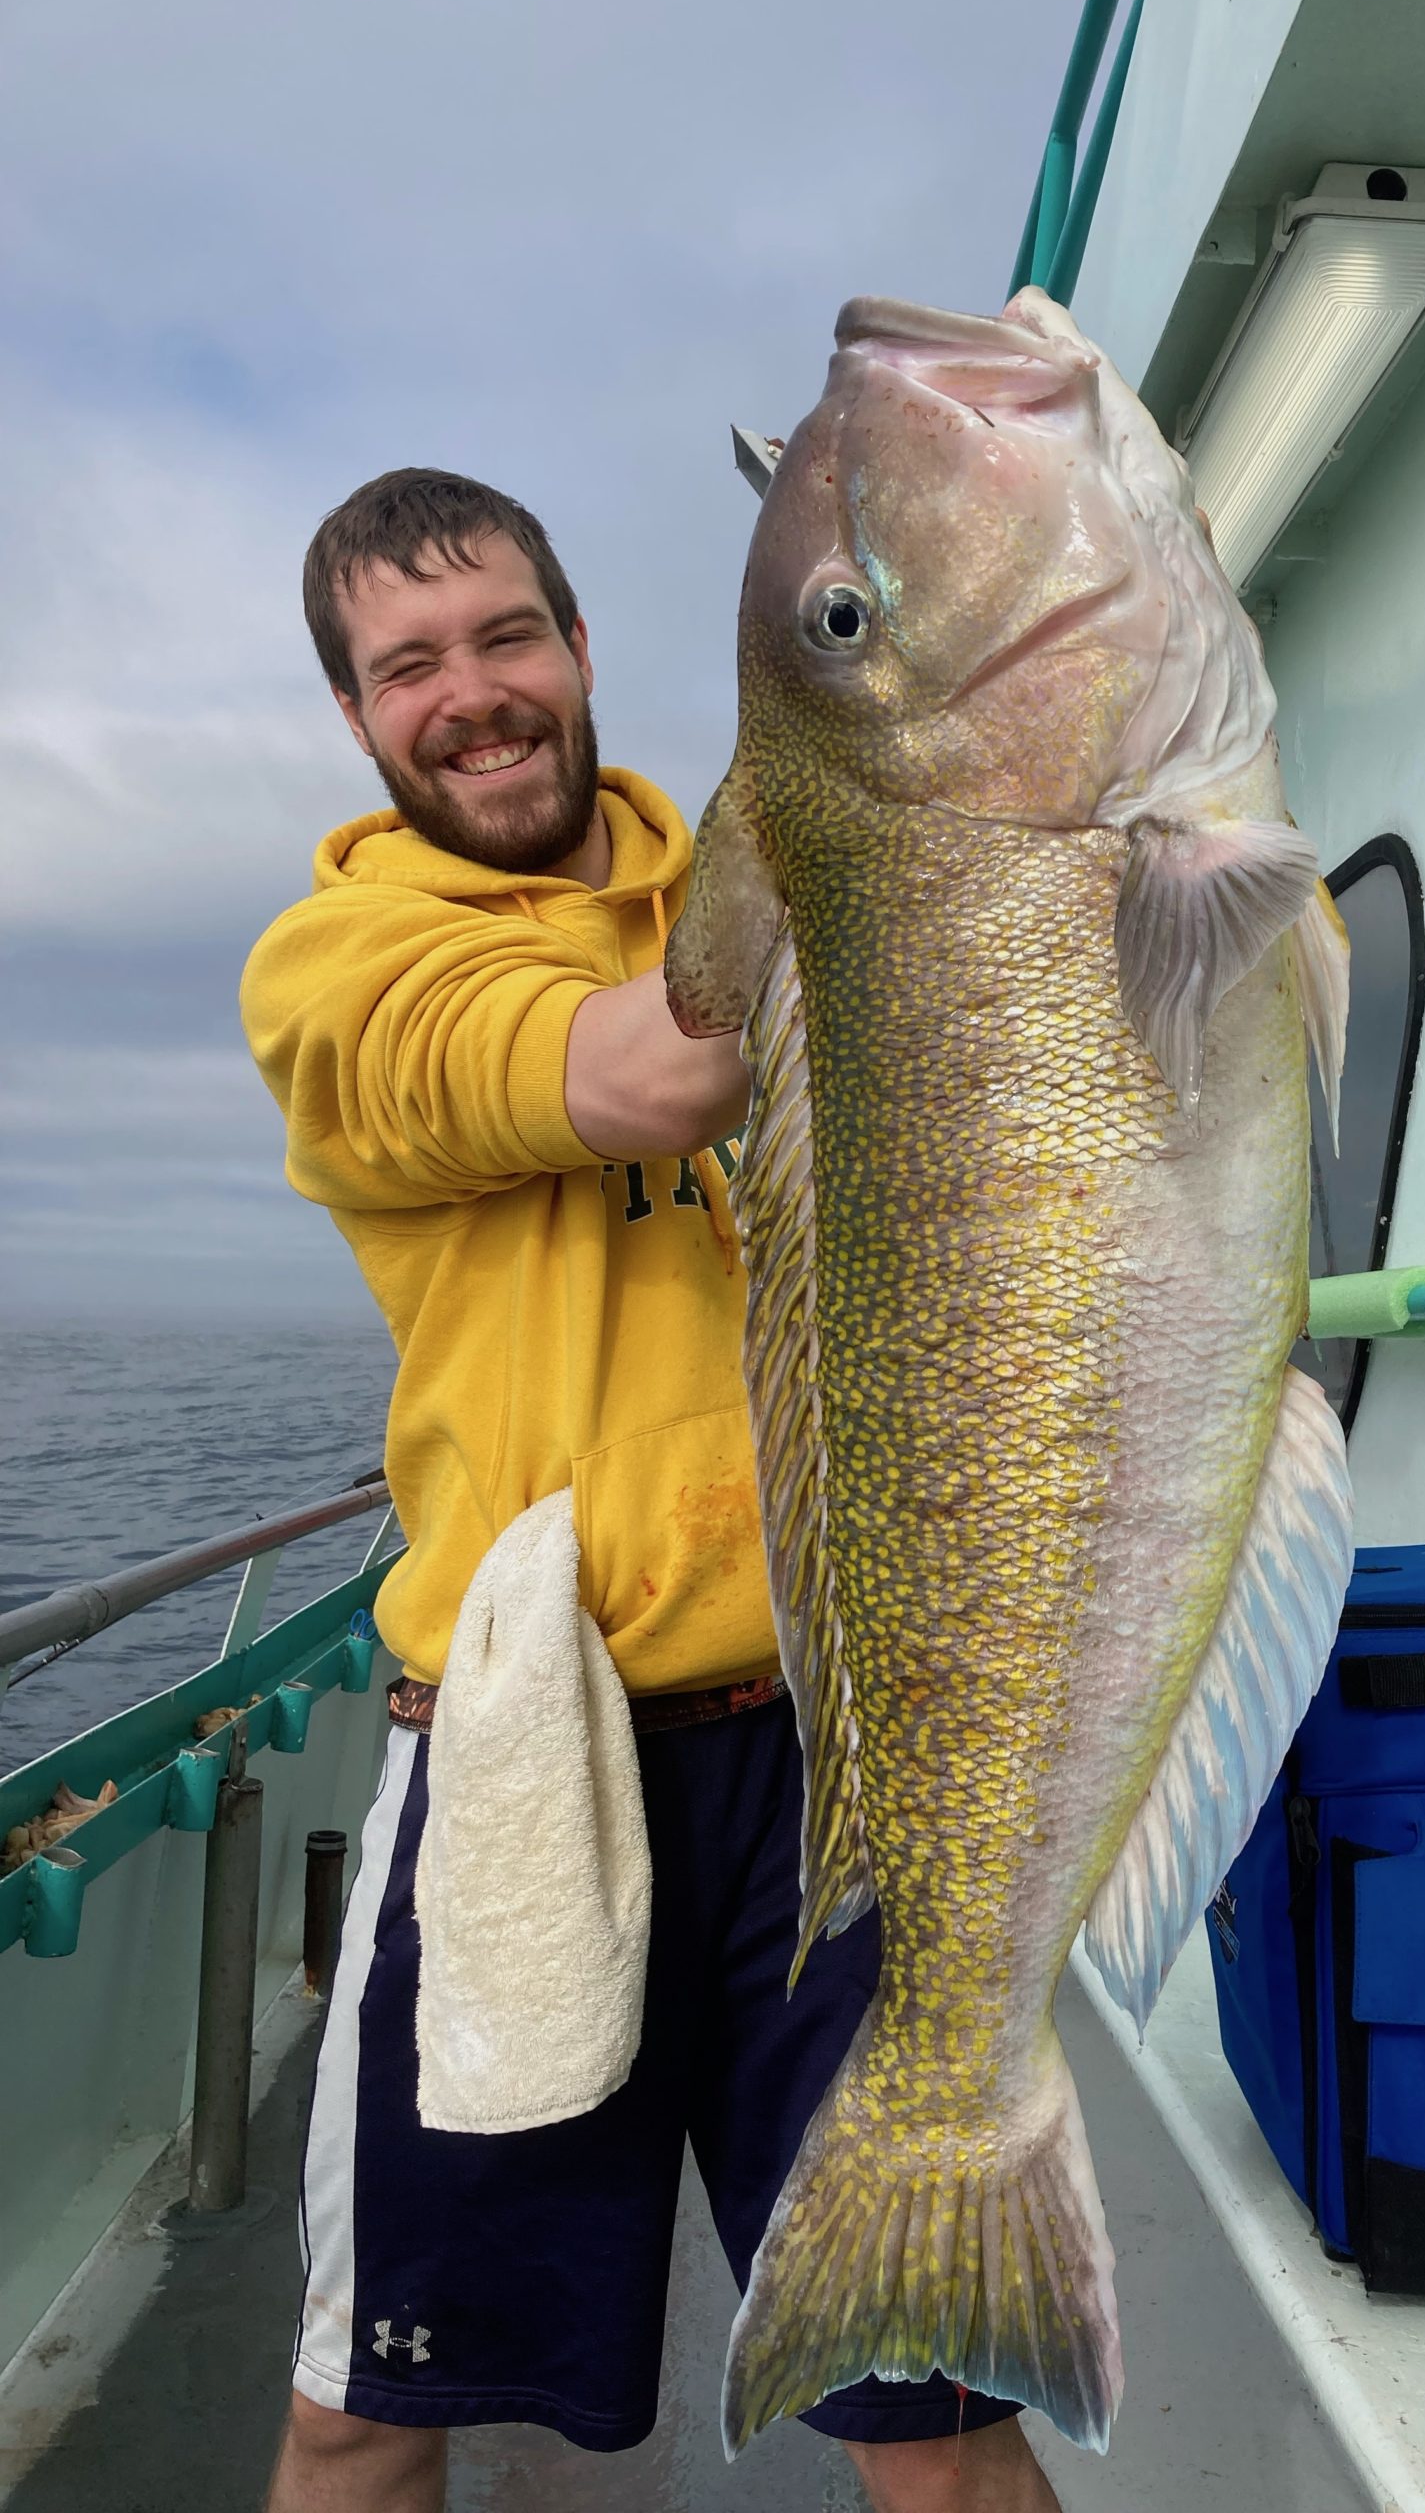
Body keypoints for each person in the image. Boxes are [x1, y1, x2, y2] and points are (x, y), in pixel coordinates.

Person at [243, 469, 1063, 2513]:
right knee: (370, 2404)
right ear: (360, 716)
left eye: (507, 634)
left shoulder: (754, 850)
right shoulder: (340, 967)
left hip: (844, 1754)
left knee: (946, 2403)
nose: (473, 692)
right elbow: (642, 1070)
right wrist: (870, 732)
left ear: (586, 647)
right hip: (531, 1764)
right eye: (407, 663)